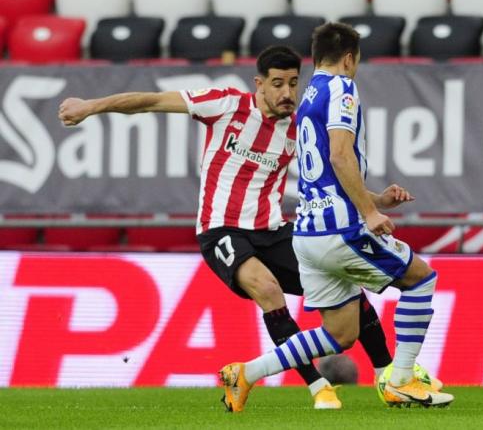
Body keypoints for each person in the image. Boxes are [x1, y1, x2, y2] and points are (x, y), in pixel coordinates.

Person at [58, 45, 393, 410]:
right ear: (259, 84)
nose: (286, 93)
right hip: (221, 230)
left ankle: (390, 375)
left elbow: (332, 177)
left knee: (344, 285)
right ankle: (317, 387)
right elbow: (150, 101)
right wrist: (91, 106)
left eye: (294, 84)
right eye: (277, 83)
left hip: (274, 230)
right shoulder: (225, 104)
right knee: (268, 290)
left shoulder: (299, 129)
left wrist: (375, 201)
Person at [219, 24, 454, 412]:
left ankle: (244, 374)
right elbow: (340, 156)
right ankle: (402, 379)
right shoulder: (342, 88)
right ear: (349, 58)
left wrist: (375, 198)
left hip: (307, 234)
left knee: (340, 334)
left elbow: (328, 172)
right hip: (340, 229)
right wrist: (370, 211)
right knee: (420, 279)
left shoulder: (309, 93)